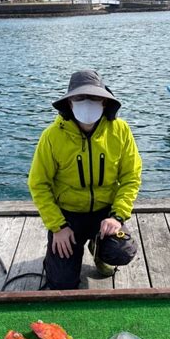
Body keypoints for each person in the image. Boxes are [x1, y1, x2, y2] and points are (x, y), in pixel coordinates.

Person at [28, 69, 142, 290]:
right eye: (80, 97)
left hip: (105, 214)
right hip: (68, 216)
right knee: (61, 282)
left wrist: (117, 216)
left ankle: (99, 250)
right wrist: (58, 226)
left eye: (94, 97)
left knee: (122, 250)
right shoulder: (52, 136)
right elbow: (38, 184)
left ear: (105, 102)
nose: (87, 103)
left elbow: (131, 176)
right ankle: (58, 255)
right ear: (69, 102)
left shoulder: (120, 131)